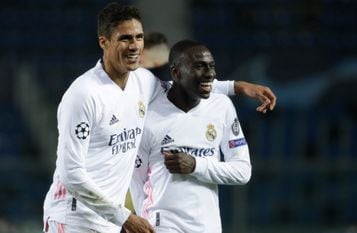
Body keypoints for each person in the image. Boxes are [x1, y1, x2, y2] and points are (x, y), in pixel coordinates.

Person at [42, 2, 276, 233]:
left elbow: (184, 84)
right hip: (73, 218)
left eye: (139, 37)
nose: (135, 46)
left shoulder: (142, 82)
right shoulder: (84, 94)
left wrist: (237, 87)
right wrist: (125, 217)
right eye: (125, 38)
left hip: (108, 221)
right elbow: (70, 174)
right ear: (104, 41)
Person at [129, 40, 252, 233]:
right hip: (161, 225)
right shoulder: (148, 114)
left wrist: (196, 165)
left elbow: (243, 171)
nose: (210, 74)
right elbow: (136, 178)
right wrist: (144, 221)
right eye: (199, 67)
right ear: (176, 73)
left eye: (211, 66)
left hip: (207, 227)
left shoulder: (222, 107)